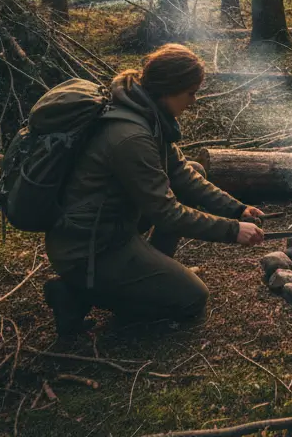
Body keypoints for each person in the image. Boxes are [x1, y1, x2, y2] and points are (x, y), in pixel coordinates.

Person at [43, 44, 265, 335]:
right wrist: (232, 230)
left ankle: (152, 273)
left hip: (115, 226)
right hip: (91, 250)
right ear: (169, 90)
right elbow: (167, 214)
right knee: (192, 299)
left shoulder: (147, 112)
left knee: (195, 171)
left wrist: (236, 209)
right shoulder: (131, 137)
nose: (194, 101)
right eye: (191, 93)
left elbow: (183, 174)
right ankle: (75, 295)